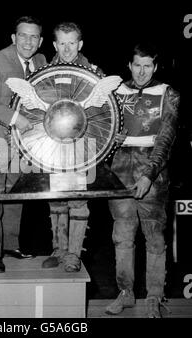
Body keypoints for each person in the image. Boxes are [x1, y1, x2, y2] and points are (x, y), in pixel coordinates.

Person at [106, 42, 179, 318]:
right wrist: (112, 140)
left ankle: (154, 297)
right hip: (120, 168)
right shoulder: (115, 92)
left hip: (153, 172)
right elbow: (102, 130)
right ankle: (125, 292)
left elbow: (166, 139)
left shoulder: (167, 93)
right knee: (122, 236)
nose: (141, 71)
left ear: (155, 67)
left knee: (154, 237)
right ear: (129, 65)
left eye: (147, 65)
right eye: (137, 65)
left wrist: (150, 174)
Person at [0, 16, 47, 273]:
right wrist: (16, 119)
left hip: (23, 144)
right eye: (23, 36)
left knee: (16, 194)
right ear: (13, 38)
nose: (28, 41)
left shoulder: (41, 62)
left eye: (33, 36)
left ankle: (10, 245)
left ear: (40, 41)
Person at [42, 22, 104, 272]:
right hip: (53, 148)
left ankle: (74, 254)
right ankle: (59, 249)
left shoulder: (94, 73)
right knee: (56, 200)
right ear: (55, 44)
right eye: (62, 43)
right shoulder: (44, 73)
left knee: (78, 201)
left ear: (80, 44)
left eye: (72, 43)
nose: (67, 49)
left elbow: (103, 114)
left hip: (82, 147)